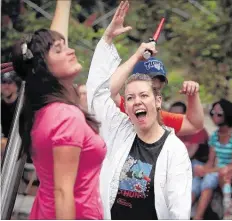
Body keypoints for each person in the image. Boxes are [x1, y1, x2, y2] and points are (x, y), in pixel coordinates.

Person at [86, 1, 192, 219]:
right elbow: (99, 95)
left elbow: (179, 211)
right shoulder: (120, 129)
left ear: (158, 101)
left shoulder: (175, 150)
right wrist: (114, 43)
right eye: (131, 97)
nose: (137, 102)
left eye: (144, 95)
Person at [11, 0, 106, 219]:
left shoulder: (45, 110)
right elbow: (63, 192)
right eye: (60, 50)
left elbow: (50, 47)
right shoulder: (66, 116)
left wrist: (64, 4)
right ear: (44, 69)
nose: (71, 51)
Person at [109, 46, 204, 137]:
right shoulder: (122, 107)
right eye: (145, 91)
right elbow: (109, 90)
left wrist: (193, 95)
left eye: (156, 89)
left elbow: (194, 125)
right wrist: (136, 56)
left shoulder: (158, 117)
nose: (154, 93)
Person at [191, 99, 232, 219]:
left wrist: (208, 171)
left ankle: (198, 217)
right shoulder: (214, 136)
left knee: (209, 178)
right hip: (216, 169)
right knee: (196, 180)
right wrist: (202, 169)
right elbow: (210, 161)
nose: (215, 116)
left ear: (228, 115)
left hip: (228, 171)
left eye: (219, 114)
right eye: (213, 113)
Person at [1, 70, 22, 153]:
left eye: (9, 82)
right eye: (3, 82)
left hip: (20, 146)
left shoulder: (24, 106)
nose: (6, 85)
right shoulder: (1, 105)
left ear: (16, 86)